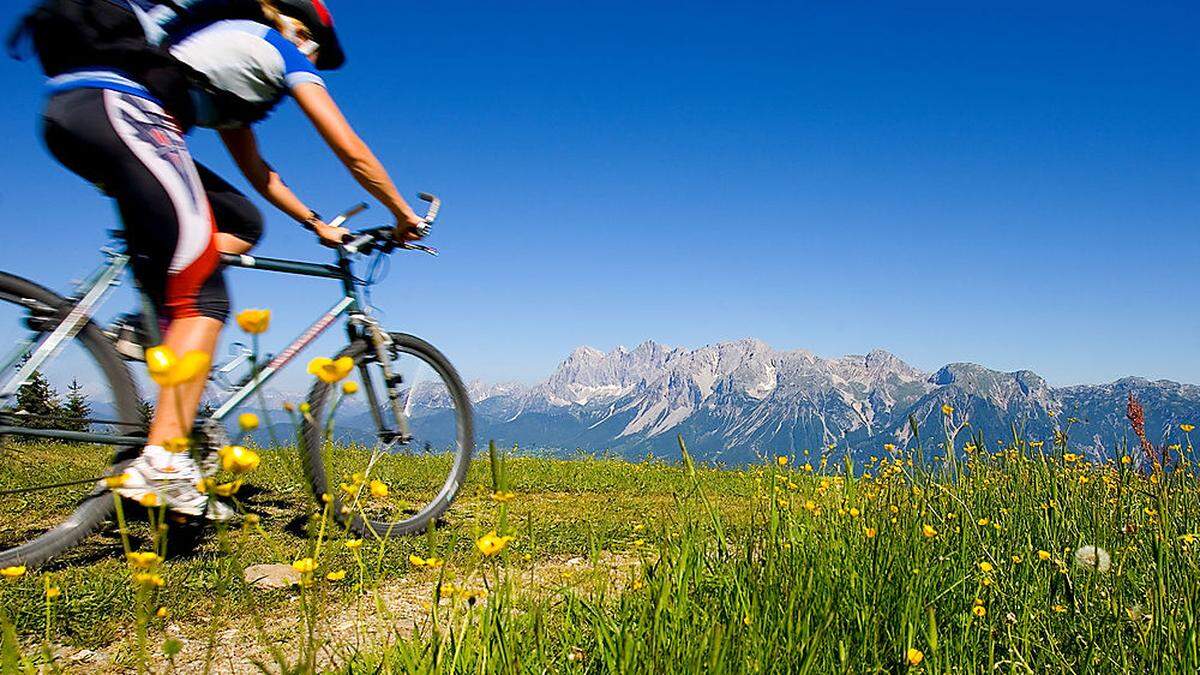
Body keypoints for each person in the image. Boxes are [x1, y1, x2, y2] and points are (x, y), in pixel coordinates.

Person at [33, 0, 426, 516]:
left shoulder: (222, 74)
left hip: (74, 115)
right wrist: (402, 213)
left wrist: (315, 223)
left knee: (241, 223)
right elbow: (348, 146)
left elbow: (259, 174)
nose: (308, 49)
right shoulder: (272, 47)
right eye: (308, 36)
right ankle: (164, 465)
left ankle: (150, 319)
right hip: (122, 112)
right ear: (279, 16)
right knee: (205, 300)